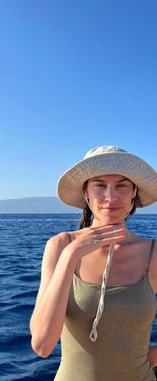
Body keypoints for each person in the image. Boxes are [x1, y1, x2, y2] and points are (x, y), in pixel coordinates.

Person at [30, 146, 157, 381]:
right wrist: (70, 256)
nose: (111, 196)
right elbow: (42, 344)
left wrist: (146, 358)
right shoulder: (60, 246)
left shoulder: (153, 253)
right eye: (99, 185)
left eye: (121, 185)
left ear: (133, 194)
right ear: (86, 193)